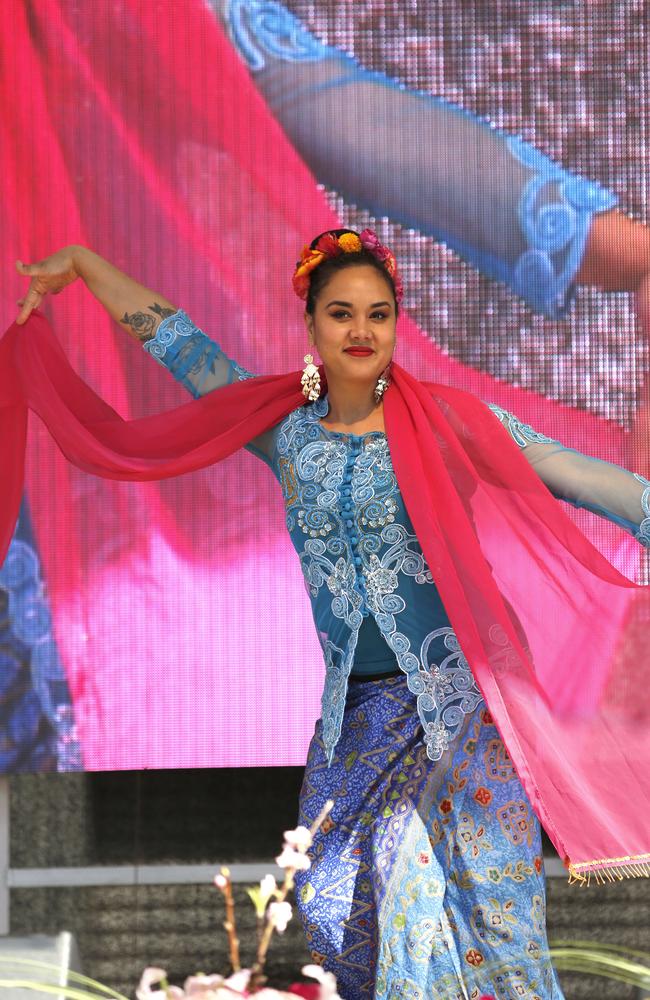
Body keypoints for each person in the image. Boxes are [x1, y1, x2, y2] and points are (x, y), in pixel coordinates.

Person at [12, 230, 650, 1000]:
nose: (361, 332)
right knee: (334, 917)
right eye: (342, 314)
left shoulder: (447, 425)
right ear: (311, 325)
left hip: (458, 717)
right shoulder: (288, 434)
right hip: (354, 721)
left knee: (463, 913)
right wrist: (84, 263)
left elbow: (580, 477)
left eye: (378, 315)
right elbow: (183, 348)